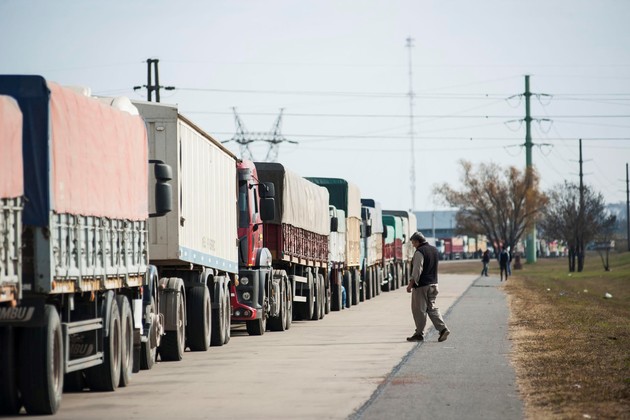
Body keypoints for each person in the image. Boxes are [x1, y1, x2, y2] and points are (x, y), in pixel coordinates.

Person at [405, 231, 450, 342]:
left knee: (419, 310)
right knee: (431, 308)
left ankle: (419, 334)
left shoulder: (420, 252)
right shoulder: (434, 250)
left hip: (422, 286)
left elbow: (417, 269)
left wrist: (411, 284)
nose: (413, 245)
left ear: (418, 241)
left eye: (413, 243)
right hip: (434, 284)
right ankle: (443, 329)